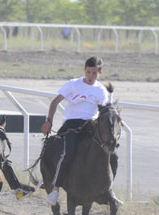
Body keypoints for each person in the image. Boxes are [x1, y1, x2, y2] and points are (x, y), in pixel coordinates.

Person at [41, 56, 117, 206]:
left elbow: (105, 112)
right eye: (88, 72)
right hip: (71, 126)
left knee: (112, 155)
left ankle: (109, 190)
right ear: (85, 70)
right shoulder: (73, 84)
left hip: (91, 127)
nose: (90, 76)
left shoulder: (101, 90)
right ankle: (55, 189)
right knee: (68, 153)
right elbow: (55, 102)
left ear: (99, 74)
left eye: (94, 73)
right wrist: (49, 121)